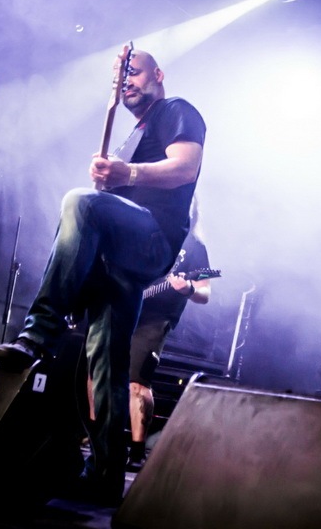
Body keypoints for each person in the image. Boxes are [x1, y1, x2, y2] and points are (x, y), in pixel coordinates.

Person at [0, 46, 206, 506]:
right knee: (106, 367)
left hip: (153, 240)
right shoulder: (135, 133)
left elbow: (186, 166)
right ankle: (106, 475)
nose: (125, 80)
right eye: (118, 75)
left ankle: (39, 332)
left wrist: (126, 172)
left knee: (79, 202)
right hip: (118, 261)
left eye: (133, 71)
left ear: (158, 74)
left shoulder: (175, 110)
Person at [126, 196, 211, 470]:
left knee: (137, 381)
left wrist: (188, 288)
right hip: (125, 309)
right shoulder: (147, 232)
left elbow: (205, 292)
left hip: (156, 319)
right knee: (99, 373)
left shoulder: (195, 246)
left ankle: (137, 451)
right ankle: (98, 439)